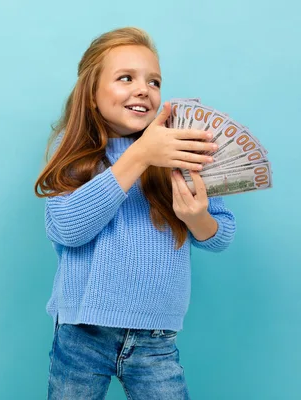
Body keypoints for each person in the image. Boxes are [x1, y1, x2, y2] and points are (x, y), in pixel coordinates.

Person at [34, 26, 236, 400]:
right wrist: (141, 156)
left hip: (155, 338)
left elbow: (221, 235)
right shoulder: (75, 150)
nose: (144, 89)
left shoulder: (181, 153)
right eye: (125, 78)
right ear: (92, 95)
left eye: (154, 81)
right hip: (82, 333)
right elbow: (66, 228)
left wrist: (196, 218)